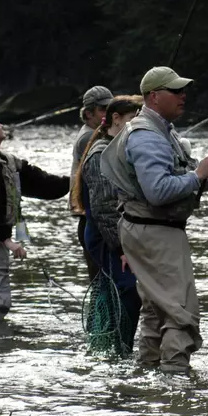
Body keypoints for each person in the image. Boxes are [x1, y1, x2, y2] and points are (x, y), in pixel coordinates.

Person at [101, 66, 208, 374]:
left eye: (183, 90)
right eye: (176, 91)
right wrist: (197, 176)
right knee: (181, 312)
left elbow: (180, 178)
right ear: (154, 97)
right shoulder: (147, 137)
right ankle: (176, 384)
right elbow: (158, 191)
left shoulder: (161, 131)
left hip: (146, 229)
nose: (183, 96)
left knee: (155, 310)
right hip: (156, 232)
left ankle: (148, 379)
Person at [0, 107, 69, 321]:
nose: (1, 126)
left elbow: (41, 184)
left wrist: (73, 182)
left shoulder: (5, 161)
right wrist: (8, 241)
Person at [70, 95, 144, 353]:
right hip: (104, 236)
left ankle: (113, 344)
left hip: (114, 235)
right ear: (116, 119)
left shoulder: (117, 148)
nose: (136, 127)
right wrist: (123, 249)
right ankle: (119, 349)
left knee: (116, 292)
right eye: (132, 120)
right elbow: (103, 209)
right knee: (126, 292)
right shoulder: (101, 152)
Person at [71, 86, 114, 277]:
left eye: (111, 108)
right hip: (92, 218)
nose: (110, 113)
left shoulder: (96, 132)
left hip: (96, 216)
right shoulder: (89, 137)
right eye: (103, 109)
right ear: (88, 113)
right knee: (102, 281)